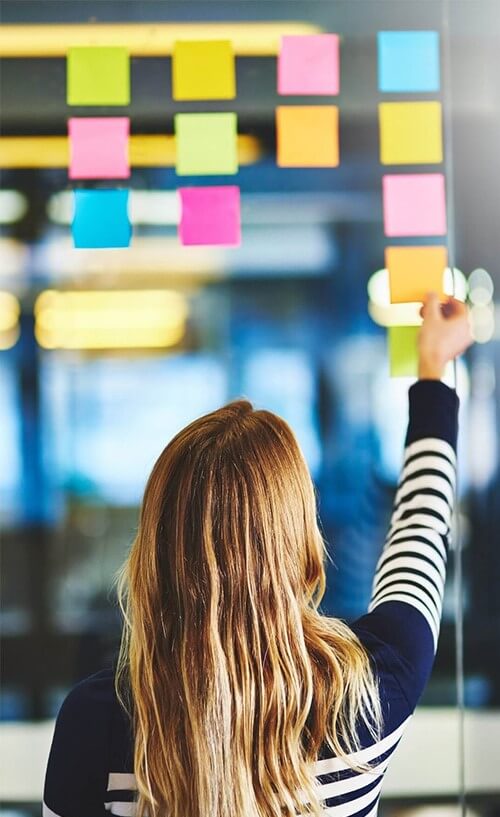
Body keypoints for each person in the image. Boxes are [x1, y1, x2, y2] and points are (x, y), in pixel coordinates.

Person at [42, 292, 473, 817]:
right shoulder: (369, 692)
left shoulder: (97, 721)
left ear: (157, 551)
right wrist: (434, 371)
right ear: (298, 545)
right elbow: (421, 526)